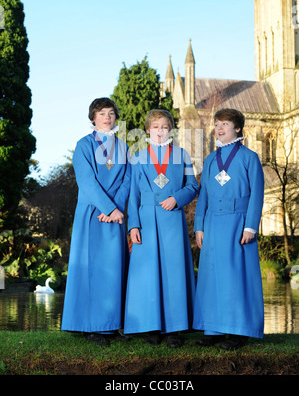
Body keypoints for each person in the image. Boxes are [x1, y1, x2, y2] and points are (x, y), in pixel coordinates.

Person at [123, 109, 199, 348]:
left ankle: (174, 329)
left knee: (173, 273)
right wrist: (132, 224)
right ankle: (150, 326)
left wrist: (178, 198)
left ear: (171, 130)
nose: (159, 131)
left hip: (172, 219)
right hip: (145, 219)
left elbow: (193, 186)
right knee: (146, 275)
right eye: (155, 127)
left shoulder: (182, 155)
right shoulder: (137, 158)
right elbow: (132, 195)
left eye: (165, 127)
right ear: (147, 130)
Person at [193, 108, 264, 350]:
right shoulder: (211, 160)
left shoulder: (249, 157)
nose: (219, 128)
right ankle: (212, 329)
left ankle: (238, 332)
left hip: (238, 222)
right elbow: (203, 195)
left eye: (225, 124)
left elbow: (257, 195)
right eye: (217, 124)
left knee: (236, 278)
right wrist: (199, 226)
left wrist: (251, 226)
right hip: (213, 222)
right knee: (211, 277)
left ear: (238, 129)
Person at [61, 98, 131, 345]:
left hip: (115, 217)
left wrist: (117, 209)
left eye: (112, 113)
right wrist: (108, 207)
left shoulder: (123, 147)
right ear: (93, 117)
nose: (108, 117)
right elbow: (86, 181)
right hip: (92, 214)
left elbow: (127, 181)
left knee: (113, 271)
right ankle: (91, 327)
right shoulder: (84, 145)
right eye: (102, 113)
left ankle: (111, 326)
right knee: (92, 270)